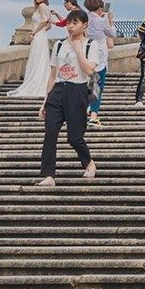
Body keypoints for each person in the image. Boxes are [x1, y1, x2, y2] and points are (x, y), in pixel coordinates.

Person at [33, 9, 98, 186]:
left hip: (78, 91)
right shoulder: (59, 45)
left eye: (75, 23)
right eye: (69, 22)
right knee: (50, 133)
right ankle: (48, 176)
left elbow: (89, 70)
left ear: (85, 25)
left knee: (74, 137)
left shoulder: (91, 45)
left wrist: (78, 49)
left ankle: (89, 163)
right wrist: (45, 101)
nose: (70, 26)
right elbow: (53, 74)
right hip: (58, 91)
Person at [11, 0, 58, 99]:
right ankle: (40, 83)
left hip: (38, 36)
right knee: (39, 59)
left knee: (37, 59)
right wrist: (41, 31)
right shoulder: (43, 7)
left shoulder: (42, 6)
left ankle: (36, 84)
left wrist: (34, 32)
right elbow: (49, 25)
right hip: (41, 36)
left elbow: (45, 20)